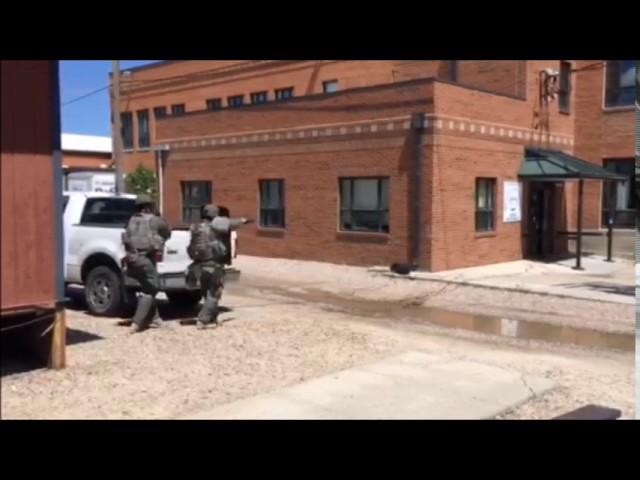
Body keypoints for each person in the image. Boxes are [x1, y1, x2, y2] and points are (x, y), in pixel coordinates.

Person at [186, 204, 249, 329]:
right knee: (215, 293)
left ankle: (212, 318)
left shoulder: (195, 226)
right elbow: (233, 223)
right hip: (213, 263)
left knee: (206, 292)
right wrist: (244, 220)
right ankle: (203, 320)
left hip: (198, 263)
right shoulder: (217, 223)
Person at [121, 194, 172, 333]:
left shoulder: (131, 220)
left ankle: (155, 318)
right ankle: (137, 323)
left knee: (147, 285)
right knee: (152, 289)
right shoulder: (155, 220)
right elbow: (167, 232)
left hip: (131, 259)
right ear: (150, 206)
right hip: (145, 259)